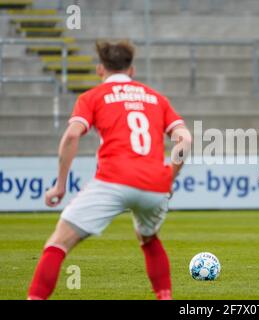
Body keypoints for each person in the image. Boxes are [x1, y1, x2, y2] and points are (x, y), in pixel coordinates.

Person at [27, 40, 192, 300]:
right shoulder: (156, 98)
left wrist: (60, 185)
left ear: (100, 70)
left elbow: (71, 136)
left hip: (113, 179)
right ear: (132, 70)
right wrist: (170, 177)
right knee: (148, 238)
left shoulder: (92, 97)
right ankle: (165, 296)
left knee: (57, 244)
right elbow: (185, 139)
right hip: (155, 185)